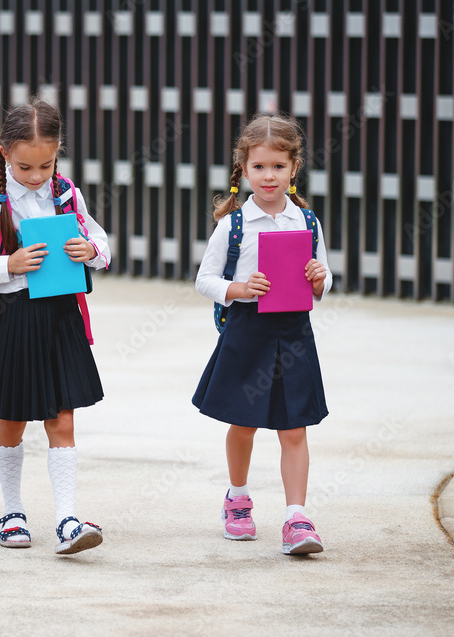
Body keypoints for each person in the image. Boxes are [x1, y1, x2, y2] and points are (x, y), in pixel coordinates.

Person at [0, 99, 110, 555]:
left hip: (60, 317)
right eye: (25, 166)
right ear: (3, 153)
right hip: (14, 319)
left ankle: (66, 519)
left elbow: (102, 242)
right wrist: (7, 265)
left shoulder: (65, 194)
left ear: (58, 153)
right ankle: (13, 512)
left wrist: (90, 251)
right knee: (12, 419)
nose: (37, 176)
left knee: (62, 417)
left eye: (46, 164)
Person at [193, 113, 331, 555]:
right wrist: (239, 288)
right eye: (258, 167)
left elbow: (325, 283)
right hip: (247, 332)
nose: (268, 176)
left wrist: (318, 278)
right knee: (244, 422)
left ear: (294, 168)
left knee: (295, 429)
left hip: (293, 333)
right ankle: (237, 498)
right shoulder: (233, 226)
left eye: (277, 166)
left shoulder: (306, 222)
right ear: (243, 169)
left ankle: (296, 517)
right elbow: (205, 279)